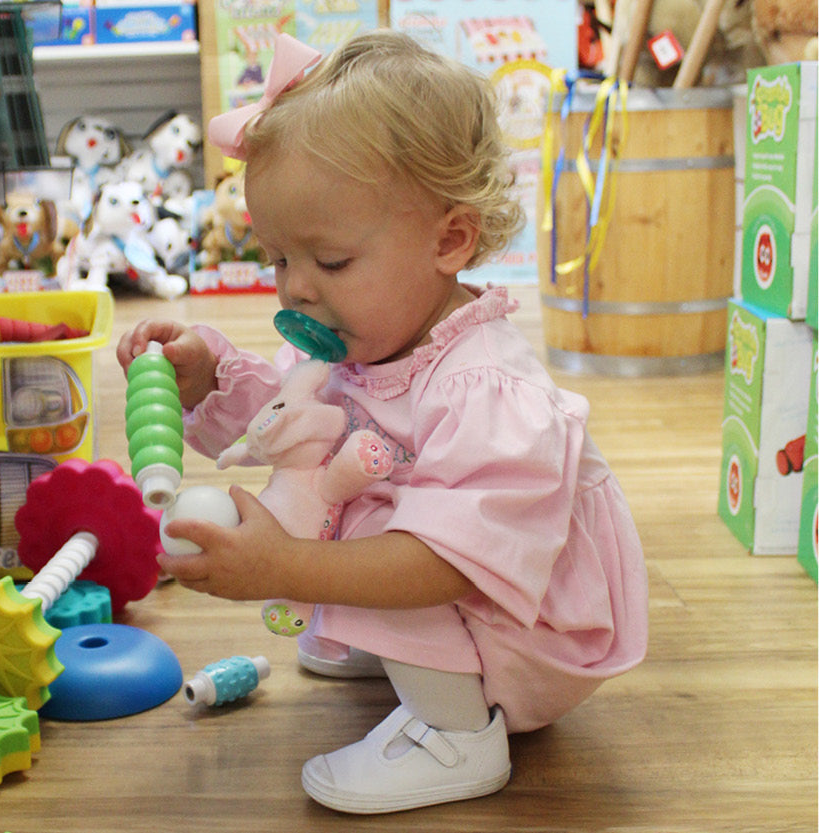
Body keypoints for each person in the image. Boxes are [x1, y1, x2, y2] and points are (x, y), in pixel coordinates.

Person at [117, 30, 648, 815]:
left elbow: (450, 563)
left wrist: (284, 567)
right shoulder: (385, 333)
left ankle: (456, 733)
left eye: (328, 262)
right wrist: (208, 378)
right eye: (277, 258)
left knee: (374, 516)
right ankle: (413, 654)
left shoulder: (486, 390)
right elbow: (299, 422)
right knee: (347, 470)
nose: (295, 289)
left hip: (532, 631)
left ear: (450, 239)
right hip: (474, 590)